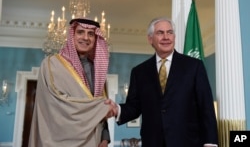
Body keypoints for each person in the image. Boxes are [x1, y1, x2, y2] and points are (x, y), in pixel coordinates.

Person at [106, 17, 218, 147]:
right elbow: (134, 107)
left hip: (188, 142)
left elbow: (206, 107)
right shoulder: (139, 72)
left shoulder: (194, 66)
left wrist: (210, 143)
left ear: (174, 37)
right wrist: (117, 109)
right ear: (150, 39)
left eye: (169, 32)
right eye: (160, 33)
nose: (166, 37)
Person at [29, 18, 114, 147]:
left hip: (95, 140)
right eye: (80, 32)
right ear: (71, 36)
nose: (86, 38)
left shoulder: (97, 70)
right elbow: (56, 106)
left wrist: (105, 138)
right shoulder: (52, 65)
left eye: (90, 34)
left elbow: (100, 105)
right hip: (61, 141)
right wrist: (102, 107)